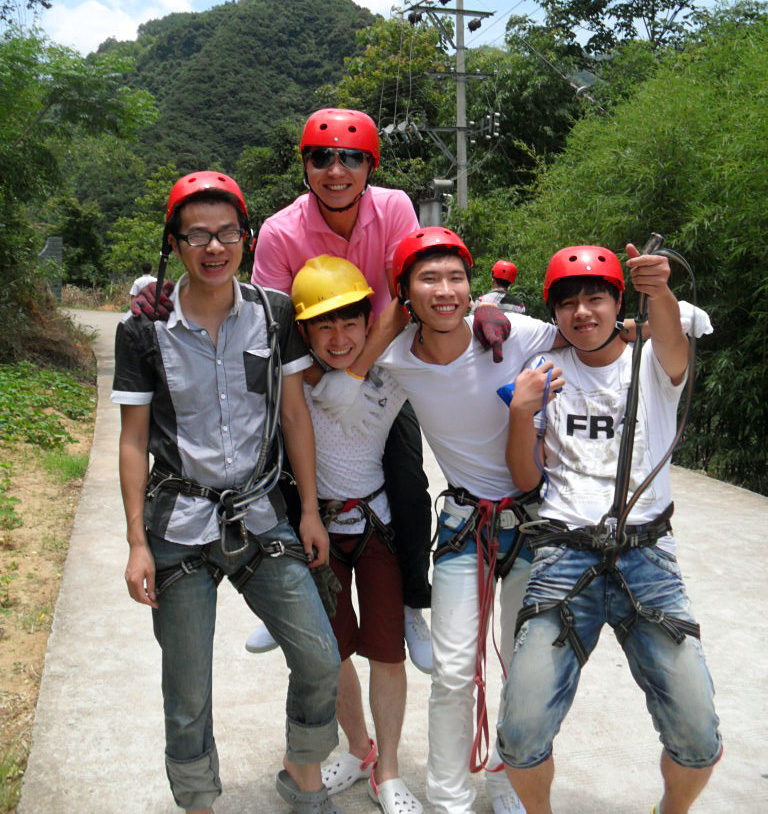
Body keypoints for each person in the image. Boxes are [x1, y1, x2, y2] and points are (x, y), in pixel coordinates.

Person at [112, 171, 342, 814]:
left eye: (228, 234)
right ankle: (198, 802)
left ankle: (302, 772)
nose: (214, 248)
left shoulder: (273, 313)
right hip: (178, 525)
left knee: (320, 658)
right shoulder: (142, 329)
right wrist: (135, 542)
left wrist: (308, 511)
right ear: (175, 243)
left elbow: (294, 415)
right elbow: (133, 441)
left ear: (247, 238)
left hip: (261, 515)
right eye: (198, 236)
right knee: (187, 688)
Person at [313, 226, 562, 814]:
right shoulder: (399, 361)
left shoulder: (515, 332)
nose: (445, 290)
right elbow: (339, 398)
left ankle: (505, 781)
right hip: (463, 524)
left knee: (523, 668)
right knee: (453, 669)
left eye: (456, 278)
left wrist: (662, 310)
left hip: (535, 521)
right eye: (428, 279)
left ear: (472, 286)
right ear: (405, 293)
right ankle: (450, 797)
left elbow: (589, 333)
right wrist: (382, 334)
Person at [499, 245, 722, 814]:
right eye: (568, 302)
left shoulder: (652, 362)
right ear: (555, 312)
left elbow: (673, 339)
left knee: (699, 740)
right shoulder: (545, 372)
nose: (582, 312)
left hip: (648, 556)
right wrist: (521, 413)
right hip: (563, 555)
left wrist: (661, 291)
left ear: (619, 300)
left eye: (595, 297)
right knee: (520, 738)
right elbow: (527, 479)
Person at [242, 107, 434, 671]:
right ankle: (284, 593)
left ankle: (409, 605)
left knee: (406, 477)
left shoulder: (395, 207)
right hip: (304, 368)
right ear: (305, 165)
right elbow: (272, 324)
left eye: (351, 157)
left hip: (380, 366)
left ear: (369, 166)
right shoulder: (281, 231)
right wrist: (320, 384)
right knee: (279, 471)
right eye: (321, 157)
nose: (336, 170)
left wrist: (353, 378)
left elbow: (402, 298)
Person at [289, 254, 422, 814]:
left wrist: (496, 319)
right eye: (325, 324)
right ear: (304, 331)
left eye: (350, 322)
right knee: (335, 652)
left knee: (387, 653)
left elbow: (452, 329)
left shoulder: (392, 373)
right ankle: (360, 749)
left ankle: (388, 768)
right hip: (319, 530)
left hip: (378, 528)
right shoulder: (290, 378)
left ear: (370, 321)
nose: (339, 337)